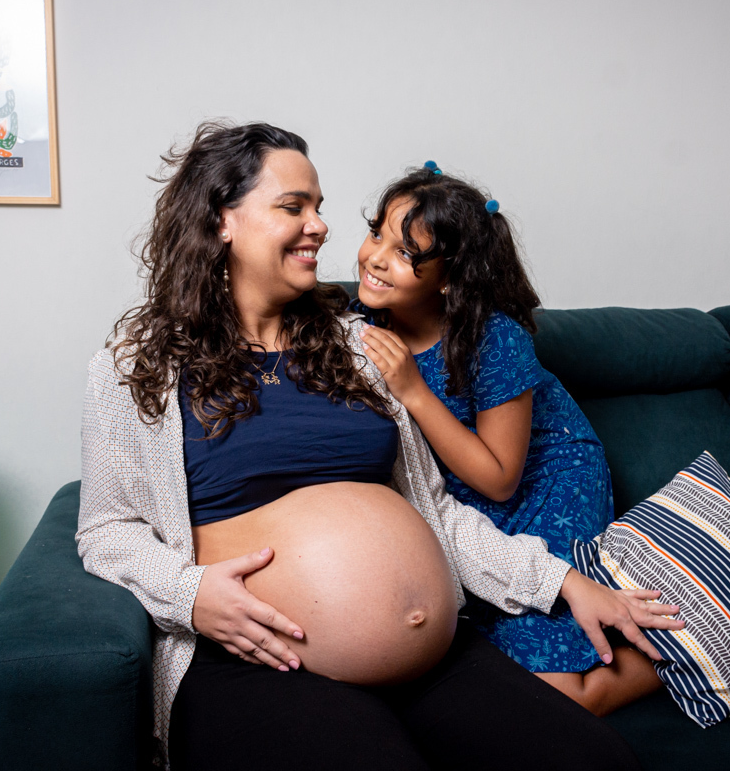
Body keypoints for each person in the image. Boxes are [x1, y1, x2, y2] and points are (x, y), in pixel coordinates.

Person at [76, 121, 681, 770]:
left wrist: (561, 581)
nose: (320, 226)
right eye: (292, 207)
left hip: (437, 664)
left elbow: (438, 512)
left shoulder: (359, 348)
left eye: (319, 206)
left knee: (599, 764)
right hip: (260, 663)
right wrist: (189, 592)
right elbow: (107, 530)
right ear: (222, 220)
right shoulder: (138, 367)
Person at [357, 162, 681, 716]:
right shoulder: (364, 319)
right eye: (376, 232)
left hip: (542, 483)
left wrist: (413, 390)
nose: (377, 257)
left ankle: (681, 655)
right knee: (467, 660)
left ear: (450, 278)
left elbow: (502, 479)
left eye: (407, 254)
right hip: (458, 501)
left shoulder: (494, 338)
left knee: (551, 690)